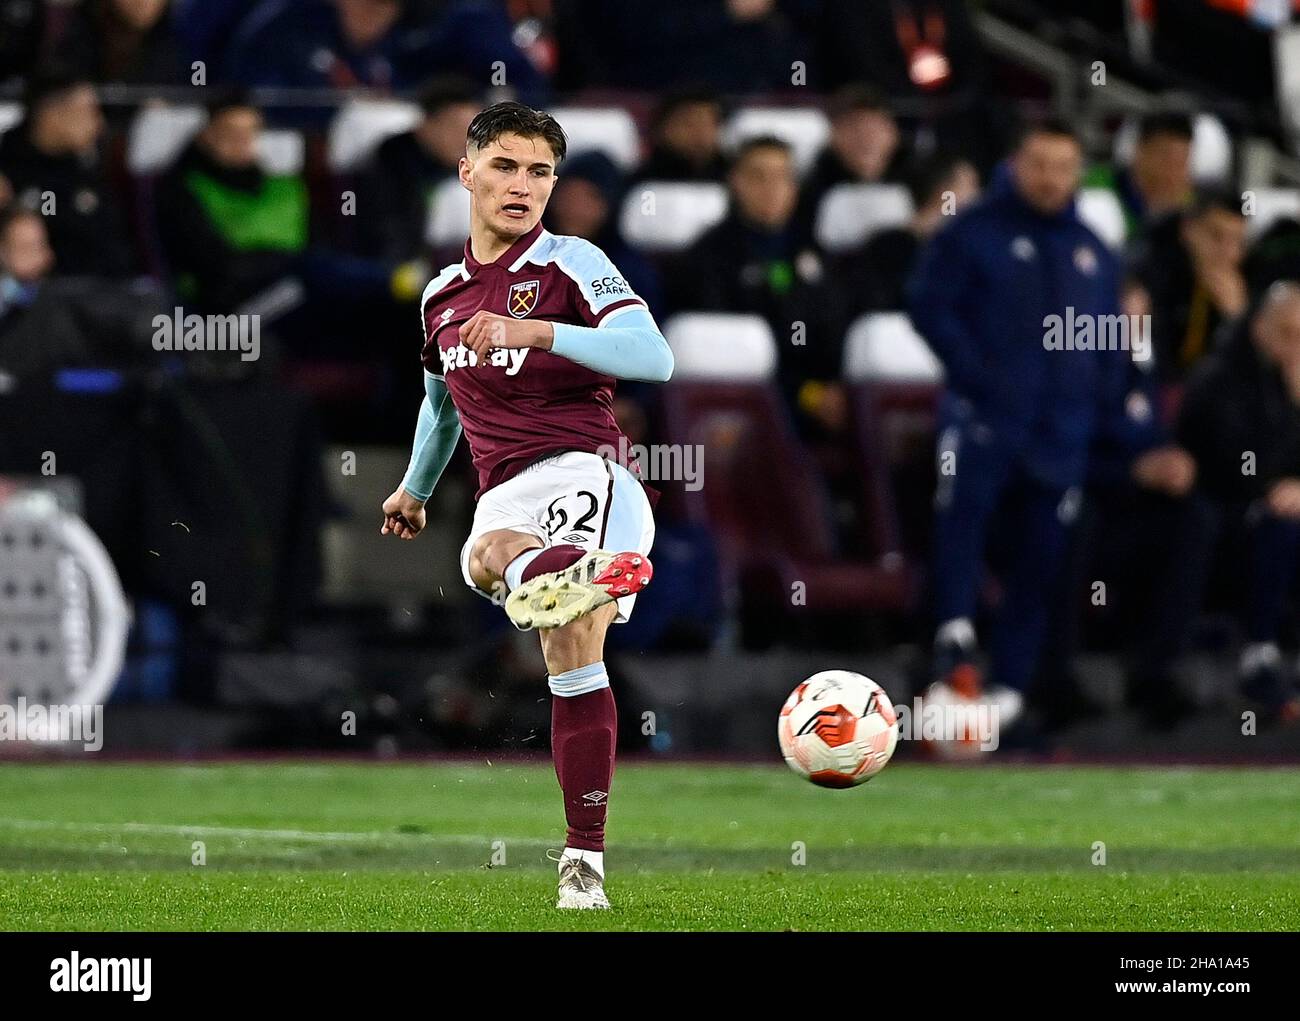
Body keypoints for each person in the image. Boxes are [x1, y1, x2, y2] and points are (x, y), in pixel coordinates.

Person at [378, 102, 673, 909]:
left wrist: (537, 331)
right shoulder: (441, 294)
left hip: (587, 468)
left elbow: (655, 356)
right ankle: (564, 573)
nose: (523, 185)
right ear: (466, 170)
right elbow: (441, 406)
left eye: (540, 171)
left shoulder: (573, 261)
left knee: (565, 640)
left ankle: (584, 867)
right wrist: (414, 486)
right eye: (505, 165)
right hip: (506, 490)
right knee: (486, 565)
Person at [908, 119, 1126, 740]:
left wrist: (1101, 398)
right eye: (1041, 164)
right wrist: (979, 378)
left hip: (1063, 433)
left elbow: (1111, 335)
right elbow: (930, 308)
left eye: (1064, 166)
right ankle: (950, 646)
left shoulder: (1092, 248)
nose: (1052, 179)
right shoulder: (972, 233)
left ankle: (1011, 691)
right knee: (961, 525)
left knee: (1042, 558)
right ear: (1016, 163)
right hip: (986, 423)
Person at [1178, 281, 1300, 723]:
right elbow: (1241, 468)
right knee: (1280, 523)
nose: (1294, 346)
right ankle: (1259, 655)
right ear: (1259, 329)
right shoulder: (1221, 379)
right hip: (1223, 524)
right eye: (1286, 332)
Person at [0, 70, 138, 278]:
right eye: (90, 111)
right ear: (51, 114)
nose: (99, 124)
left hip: (108, 295)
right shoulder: (7, 172)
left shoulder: (86, 170)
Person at [352, 75, 480, 262]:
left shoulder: (468, 168)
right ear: (426, 126)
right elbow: (388, 238)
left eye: (471, 130)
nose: (464, 140)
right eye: (455, 127)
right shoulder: (391, 163)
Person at [1131, 187, 1248, 383]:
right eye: (1216, 236)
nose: (1228, 252)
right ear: (1188, 229)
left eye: (1237, 241)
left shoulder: (1247, 281)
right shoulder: (1150, 272)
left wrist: (1237, 318)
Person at [1082, 109, 1194, 242]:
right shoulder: (1095, 191)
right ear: (1139, 151)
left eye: (1182, 161)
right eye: (1166, 158)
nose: (1174, 172)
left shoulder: (1191, 205)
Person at [632, 88, 728, 184]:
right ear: (662, 129)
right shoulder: (642, 184)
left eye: (708, 124)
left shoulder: (733, 182)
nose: (700, 133)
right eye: (689, 124)